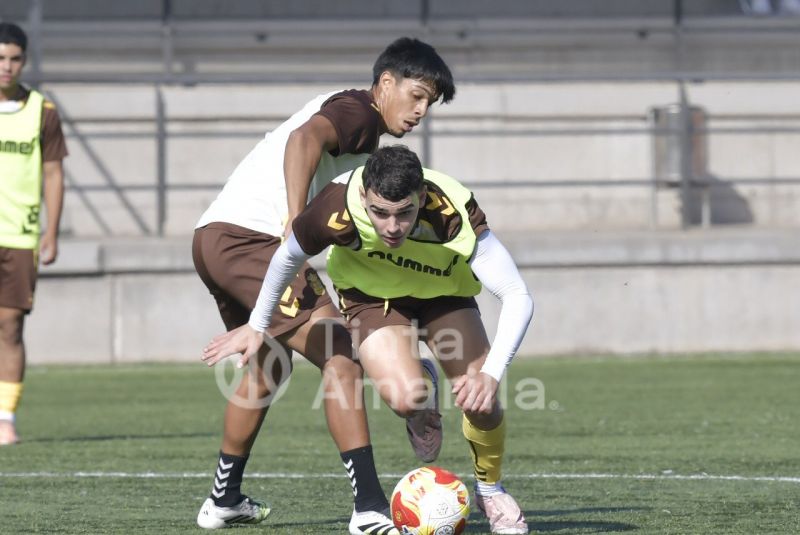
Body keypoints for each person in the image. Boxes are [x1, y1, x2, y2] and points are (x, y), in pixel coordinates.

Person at [192, 38, 455, 532]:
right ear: (385, 84)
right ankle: (370, 509)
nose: (422, 110)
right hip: (252, 241)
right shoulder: (359, 112)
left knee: (268, 369)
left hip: (213, 238)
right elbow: (304, 141)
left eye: (430, 103)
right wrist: (295, 221)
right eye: (417, 95)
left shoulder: (362, 130)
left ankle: (222, 500)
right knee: (342, 353)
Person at [204, 145, 534, 534]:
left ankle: (490, 490)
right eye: (380, 213)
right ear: (364, 197)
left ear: (422, 198)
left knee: (482, 402)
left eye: (404, 213)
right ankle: (422, 394)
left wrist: (491, 374)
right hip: (372, 299)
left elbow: (517, 294)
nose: (392, 227)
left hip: (445, 294)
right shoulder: (334, 206)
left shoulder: (451, 211)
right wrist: (258, 324)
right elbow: (285, 258)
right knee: (405, 398)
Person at [0, 23, 66, 447]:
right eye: (0, 59)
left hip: (20, 237)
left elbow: (54, 172)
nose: (6, 67)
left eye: (14, 59)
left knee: (10, 327)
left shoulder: (42, 111)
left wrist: (51, 232)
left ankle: (5, 417)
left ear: (24, 61)